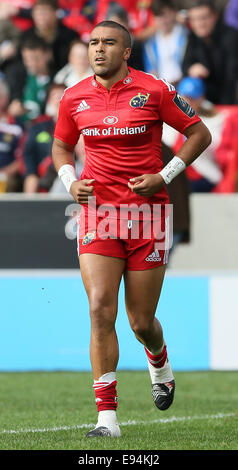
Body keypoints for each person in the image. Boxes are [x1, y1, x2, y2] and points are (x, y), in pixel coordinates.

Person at [52, 20, 211, 438]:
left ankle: (158, 358)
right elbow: (61, 145)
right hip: (99, 213)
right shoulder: (74, 97)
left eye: (108, 43)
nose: (98, 50)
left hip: (148, 215)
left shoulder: (154, 89)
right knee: (100, 307)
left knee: (141, 321)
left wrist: (166, 174)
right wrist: (71, 183)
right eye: (93, 43)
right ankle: (107, 419)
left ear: (126, 52)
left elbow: (199, 133)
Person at [163, 76, 238, 192]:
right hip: (176, 176)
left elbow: (216, 147)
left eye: (192, 98)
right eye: (184, 97)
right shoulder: (168, 118)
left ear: (201, 98)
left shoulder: (216, 120)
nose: (187, 102)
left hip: (205, 177)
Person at [182, 0, 238, 104]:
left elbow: (231, 77)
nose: (200, 24)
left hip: (229, 96)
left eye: (204, 18)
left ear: (215, 16)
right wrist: (192, 69)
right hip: (205, 95)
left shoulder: (231, 37)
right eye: (194, 19)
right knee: (188, 84)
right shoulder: (192, 37)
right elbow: (185, 65)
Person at [23, 82, 65, 193]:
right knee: (31, 180)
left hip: (67, 173)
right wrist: (31, 173)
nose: (58, 100)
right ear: (49, 101)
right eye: (55, 96)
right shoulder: (38, 126)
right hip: (41, 175)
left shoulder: (78, 125)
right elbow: (28, 153)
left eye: (62, 95)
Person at [20, 0, 79, 72]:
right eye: (38, 13)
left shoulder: (70, 35)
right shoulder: (26, 36)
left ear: (55, 13)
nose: (41, 17)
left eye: (45, 12)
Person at [6, 35, 53, 123]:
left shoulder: (57, 79)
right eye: (27, 59)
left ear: (48, 55)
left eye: (36, 58)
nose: (32, 63)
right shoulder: (16, 75)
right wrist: (13, 105)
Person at [143, 0, 188, 85]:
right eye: (158, 16)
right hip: (162, 88)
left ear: (174, 13)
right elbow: (150, 69)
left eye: (165, 16)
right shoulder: (149, 43)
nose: (162, 21)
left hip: (184, 86)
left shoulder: (186, 35)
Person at [0, 77, 24, 192]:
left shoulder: (16, 126)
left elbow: (23, 158)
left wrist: (5, 172)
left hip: (7, 176)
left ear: (4, 99)